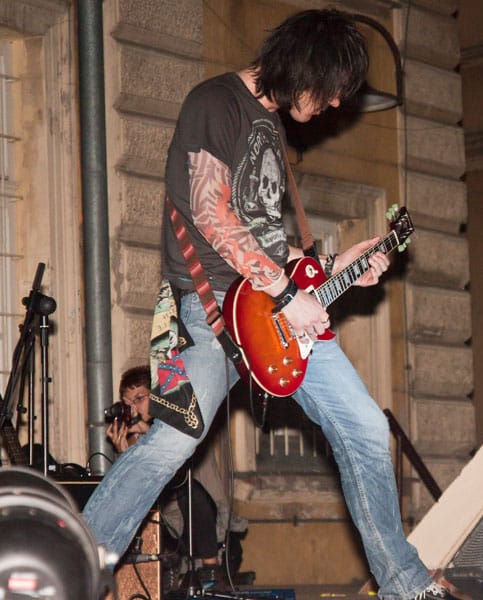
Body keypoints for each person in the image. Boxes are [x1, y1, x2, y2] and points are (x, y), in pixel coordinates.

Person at [82, 9, 460, 600]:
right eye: (330, 90)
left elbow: (267, 241)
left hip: (273, 314)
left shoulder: (271, 128)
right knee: (175, 439)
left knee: (364, 426)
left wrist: (336, 265)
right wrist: (286, 293)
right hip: (205, 311)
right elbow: (210, 212)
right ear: (301, 69)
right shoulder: (215, 102)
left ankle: (405, 585)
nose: (336, 104)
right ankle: (71, 566)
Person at [107, 366, 248, 590]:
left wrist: (147, 432)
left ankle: (211, 570)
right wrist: (125, 455)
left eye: (139, 399)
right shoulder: (132, 436)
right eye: (127, 402)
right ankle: (165, 571)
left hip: (202, 523)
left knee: (188, 490)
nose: (134, 408)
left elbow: (177, 472)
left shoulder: (180, 425)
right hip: (163, 525)